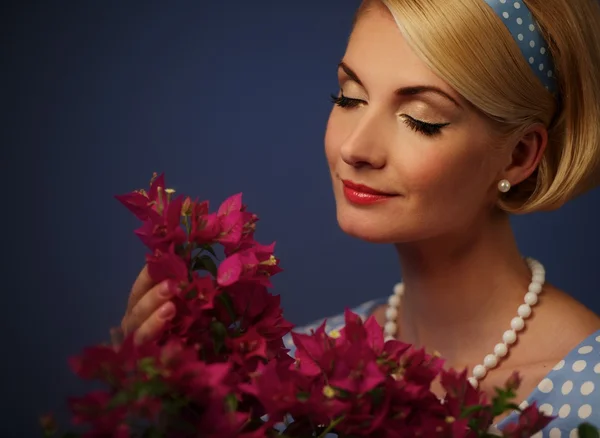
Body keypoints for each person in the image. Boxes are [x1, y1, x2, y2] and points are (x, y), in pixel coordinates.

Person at [120, 0, 600, 435]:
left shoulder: (586, 391)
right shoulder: (289, 369)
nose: (355, 148)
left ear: (518, 155)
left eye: (420, 118)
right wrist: (171, 407)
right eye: (349, 98)